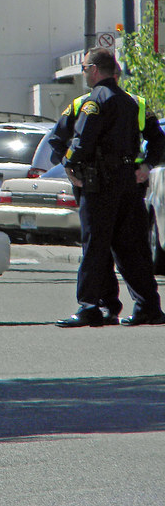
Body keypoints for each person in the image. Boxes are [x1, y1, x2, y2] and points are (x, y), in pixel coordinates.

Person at [56, 47, 165, 327]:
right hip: (129, 183)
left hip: (100, 183)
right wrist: (146, 165)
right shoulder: (134, 102)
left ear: (94, 69)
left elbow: (81, 141)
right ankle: (148, 307)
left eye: (83, 68)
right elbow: (160, 141)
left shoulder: (92, 102)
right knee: (133, 248)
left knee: (94, 245)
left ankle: (90, 307)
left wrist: (69, 164)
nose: (83, 73)